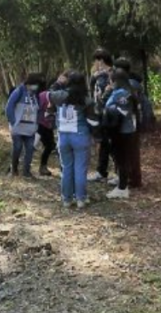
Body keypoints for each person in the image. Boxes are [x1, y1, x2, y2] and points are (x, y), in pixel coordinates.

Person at [50, 71, 93, 208]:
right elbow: (93, 120)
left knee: (66, 168)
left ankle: (67, 199)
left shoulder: (59, 97)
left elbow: (48, 94)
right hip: (80, 135)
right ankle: (81, 198)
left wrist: (58, 83)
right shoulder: (86, 99)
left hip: (63, 136)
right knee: (80, 168)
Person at [104, 68, 138, 199]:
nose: (110, 83)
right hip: (125, 130)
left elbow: (122, 111)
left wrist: (108, 109)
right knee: (121, 158)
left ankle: (122, 188)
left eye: (111, 80)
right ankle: (121, 180)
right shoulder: (126, 91)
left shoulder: (122, 93)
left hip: (121, 131)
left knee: (122, 159)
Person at [115, 58, 147, 189]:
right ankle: (130, 177)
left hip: (130, 123)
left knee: (130, 152)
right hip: (133, 122)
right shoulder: (132, 84)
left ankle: (133, 178)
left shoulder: (130, 85)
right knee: (131, 151)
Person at [5, 74, 43, 178]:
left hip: (30, 128)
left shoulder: (36, 95)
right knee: (17, 148)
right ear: (30, 83)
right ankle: (14, 169)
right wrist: (12, 122)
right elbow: (9, 107)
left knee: (30, 150)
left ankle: (26, 171)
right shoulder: (19, 91)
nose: (36, 87)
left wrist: (37, 124)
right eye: (35, 84)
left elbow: (39, 110)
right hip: (18, 127)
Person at [88, 49, 115, 183]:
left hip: (109, 114)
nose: (94, 63)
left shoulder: (111, 74)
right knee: (103, 143)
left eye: (96, 60)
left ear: (101, 60)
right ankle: (101, 171)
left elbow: (109, 93)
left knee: (112, 143)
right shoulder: (98, 75)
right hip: (99, 113)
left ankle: (120, 173)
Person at [36, 86, 57, 176]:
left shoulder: (56, 99)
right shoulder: (43, 96)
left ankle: (43, 166)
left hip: (48, 125)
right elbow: (37, 109)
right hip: (40, 124)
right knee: (33, 145)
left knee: (50, 145)